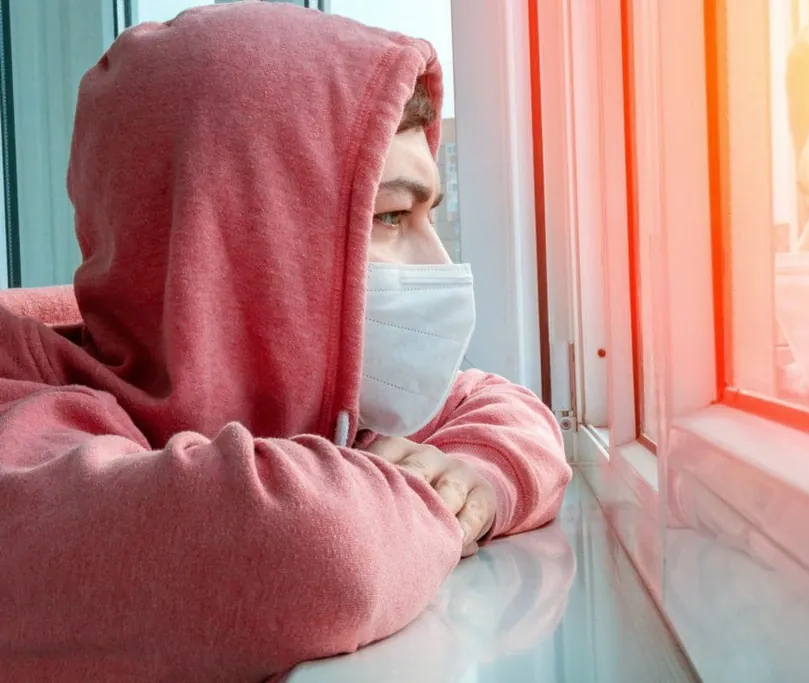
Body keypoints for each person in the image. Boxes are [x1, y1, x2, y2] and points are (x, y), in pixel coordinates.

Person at [0, 3, 572, 682]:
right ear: (242, 239)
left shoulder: (324, 400)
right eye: (391, 216)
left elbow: (504, 409)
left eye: (430, 214)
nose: (438, 261)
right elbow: (317, 549)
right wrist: (427, 501)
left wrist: (478, 475)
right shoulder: (25, 431)